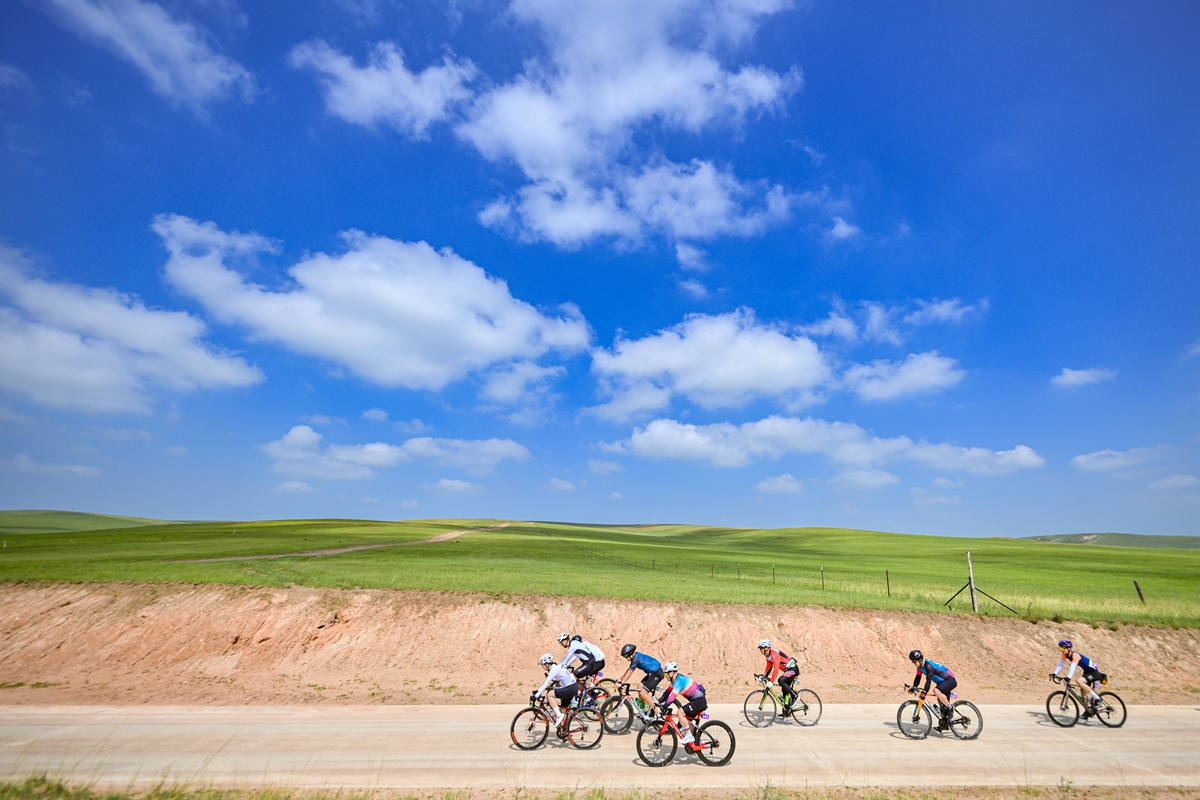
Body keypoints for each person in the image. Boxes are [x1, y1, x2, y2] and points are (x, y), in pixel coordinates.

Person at [657, 661, 707, 750]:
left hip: (699, 701)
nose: (665, 676)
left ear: (671, 673)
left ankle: (689, 736)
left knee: (680, 712)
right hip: (697, 701)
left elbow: (672, 698)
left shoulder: (679, 681)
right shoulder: (674, 681)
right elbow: (666, 694)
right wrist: (658, 702)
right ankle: (698, 740)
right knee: (685, 721)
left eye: (666, 674)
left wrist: (663, 707)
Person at [1050, 640, 1105, 716]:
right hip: (1087, 672)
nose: (1061, 650)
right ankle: (1088, 712)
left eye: (1062, 649)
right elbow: (1060, 665)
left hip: (1094, 672)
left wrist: (1068, 678)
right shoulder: (1065, 655)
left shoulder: (1075, 655)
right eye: (1060, 649)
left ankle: (1098, 699)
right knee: (1083, 692)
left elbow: (1073, 667)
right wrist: (1054, 674)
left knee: (1079, 681)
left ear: (1069, 648)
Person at [908, 649, 957, 731]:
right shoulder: (919, 667)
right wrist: (914, 687)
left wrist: (924, 692)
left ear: (920, 660)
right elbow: (918, 678)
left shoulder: (928, 666)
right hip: (942, 682)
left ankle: (950, 707)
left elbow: (928, 680)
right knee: (941, 704)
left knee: (936, 691)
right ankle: (944, 724)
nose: (913, 663)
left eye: (914, 661)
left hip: (950, 680)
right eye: (912, 661)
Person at [531, 652, 578, 730]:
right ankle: (564, 733)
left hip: (570, 688)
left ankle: (559, 716)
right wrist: (538, 691)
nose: (542, 667)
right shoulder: (557, 666)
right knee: (563, 710)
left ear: (547, 664)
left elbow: (546, 684)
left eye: (542, 665)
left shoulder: (554, 669)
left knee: (550, 694)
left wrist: (536, 696)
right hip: (573, 687)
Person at [756, 638, 800, 717]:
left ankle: (795, 696)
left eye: (761, 648)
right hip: (788, 670)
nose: (760, 650)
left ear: (767, 648)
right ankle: (787, 710)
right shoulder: (768, 656)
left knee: (781, 681)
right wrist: (763, 677)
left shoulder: (774, 654)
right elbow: (769, 667)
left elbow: (776, 670)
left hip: (793, 669)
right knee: (784, 689)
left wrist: (772, 681)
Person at [617, 643, 665, 711]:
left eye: (626, 656)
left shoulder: (636, 659)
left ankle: (657, 710)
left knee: (644, 692)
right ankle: (644, 708)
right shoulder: (635, 657)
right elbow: (629, 669)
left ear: (630, 654)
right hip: (652, 673)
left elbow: (630, 672)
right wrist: (621, 678)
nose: (626, 658)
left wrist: (622, 682)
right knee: (639, 687)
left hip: (657, 673)